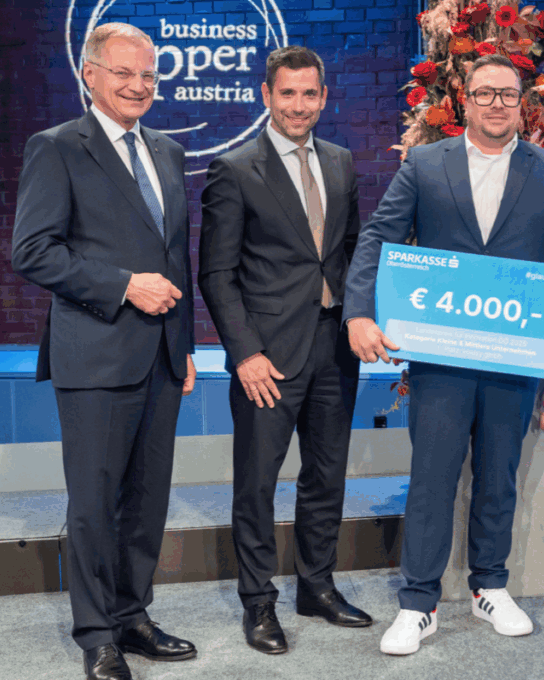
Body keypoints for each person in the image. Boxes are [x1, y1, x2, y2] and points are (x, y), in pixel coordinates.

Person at [342, 53, 544, 655]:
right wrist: (359, 312)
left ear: (522, 104)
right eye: (485, 93)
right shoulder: (425, 163)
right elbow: (379, 236)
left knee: (499, 475)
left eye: (508, 94)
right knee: (432, 477)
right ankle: (417, 603)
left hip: (513, 353)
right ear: (464, 101)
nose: (497, 104)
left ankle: (490, 587)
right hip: (440, 355)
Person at [10, 22, 196, 680]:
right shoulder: (56, 147)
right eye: (123, 73)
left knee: (146, 502)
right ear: (89, 74)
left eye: (148, 75)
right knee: (94, 506)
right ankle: (97, 635)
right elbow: (32, 250)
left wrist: (185, 344)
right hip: (94, 356)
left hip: (163, 357)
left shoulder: (168, 150)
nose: (138, 86)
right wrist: (122, 285)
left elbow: (176, 255)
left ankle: (132, 616)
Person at [198, 45, 370, 655]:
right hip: (266, 357)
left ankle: (316, 587)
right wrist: (244, 353)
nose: (299, 105)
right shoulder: (234, 169)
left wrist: (362, 317)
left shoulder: (341, 161)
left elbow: (350, 253)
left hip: (333, 346)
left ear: (323, 97)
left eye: (309, 93)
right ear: (266, 95)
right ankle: (258, 602)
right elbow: (217, 274)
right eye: (288, 93)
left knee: (326, 476)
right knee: (257, 484)